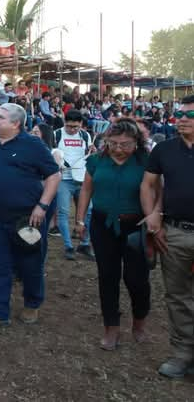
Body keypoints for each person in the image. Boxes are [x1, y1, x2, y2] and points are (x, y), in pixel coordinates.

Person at [0, 103, 61, 329]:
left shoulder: (33, 145)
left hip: (28, 220)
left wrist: (42, 207)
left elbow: (54, 175)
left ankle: (32, 303)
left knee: (30, 264)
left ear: (15, 124)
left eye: (1, 117)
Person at [76, 119, 150, 351]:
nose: (118, 149)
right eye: (113, 143)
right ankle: (112, 328)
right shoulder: (97, 161)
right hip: (102, 224)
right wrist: (79, 219)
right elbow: (87, 189)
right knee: (107, 276)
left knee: (136, 279)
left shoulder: (145, 162)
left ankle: (139, 320)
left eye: (125, 144)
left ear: (137, 143)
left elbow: (156, 190)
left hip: (135, 226)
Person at [140, 94, 194, 378]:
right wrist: (153, 219)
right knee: (178, 295)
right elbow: (149, 184)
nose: (182, 119)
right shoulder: (164, 149)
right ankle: (183, 354)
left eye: (190, 114)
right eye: (180, 114)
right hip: (174, 232)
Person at [54, 109, 95, 260]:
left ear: (81, 125)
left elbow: (89, 153)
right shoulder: (57, 134)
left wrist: (92, 150)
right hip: (63, 179)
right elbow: (52, 152)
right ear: (64, 122)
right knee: (64, 212)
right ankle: (68, 246)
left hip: (82, 178)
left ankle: (85, 243)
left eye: (76, 127)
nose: (72, 130)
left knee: (89, 211)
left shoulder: (85, 135)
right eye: (69, 126)